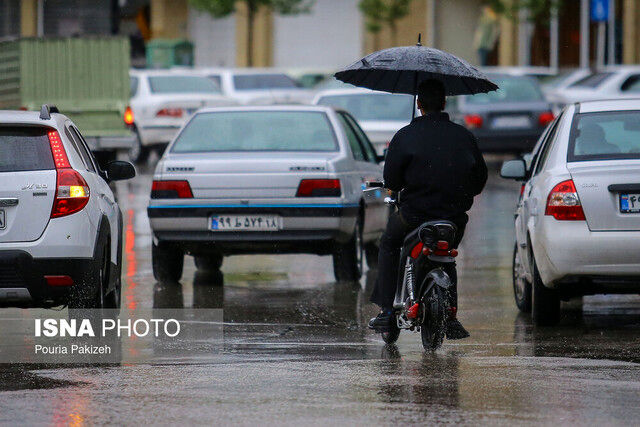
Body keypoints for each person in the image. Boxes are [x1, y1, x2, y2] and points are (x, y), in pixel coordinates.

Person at [368, 79, 488, 339]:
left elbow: (392, 182)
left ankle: (387, 311)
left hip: (414, 216)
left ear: (419, 103)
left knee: (389, 243)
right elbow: (479, 181)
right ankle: (452, 315)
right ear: (444, 102)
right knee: (449, 257)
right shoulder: (464, 136)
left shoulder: (405, 136)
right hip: (454, 220)